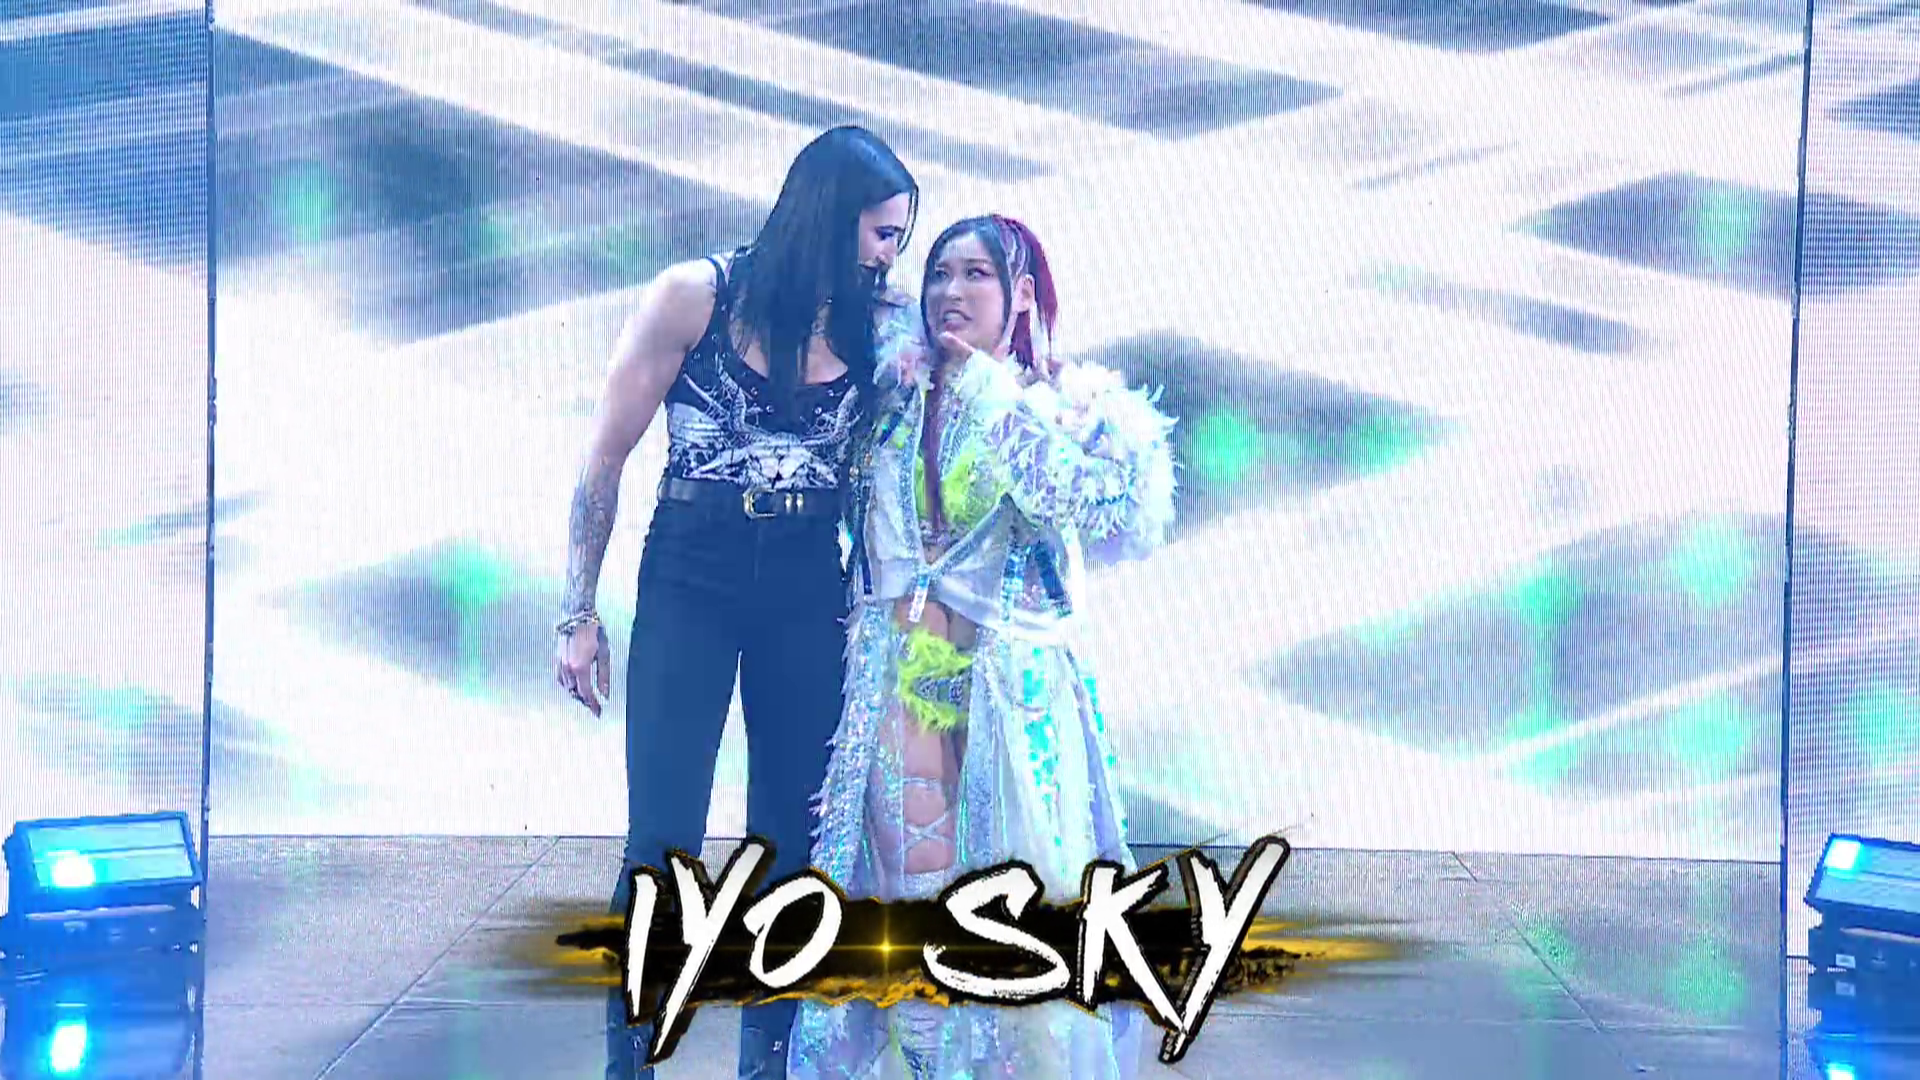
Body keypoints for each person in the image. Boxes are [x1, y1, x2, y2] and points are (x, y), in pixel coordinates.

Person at [551, 125, 918, 1080]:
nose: (892, 255)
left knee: (791, 838)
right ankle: (630, 1063)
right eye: (882, 233)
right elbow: (604, 456)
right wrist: (577, 612)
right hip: (694, 569)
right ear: (831, 218)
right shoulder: (696, 296)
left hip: (808, 579)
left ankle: (770, 1064)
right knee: (662, 835)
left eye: (900, 237)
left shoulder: (880, 327)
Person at [786, 215, 1179, 1079]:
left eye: (975, 276)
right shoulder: (894, 398)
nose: (950, 293)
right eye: (939, 274)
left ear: (1021, 296)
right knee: (906, 908)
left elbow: (1091, 505)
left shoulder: (1059, 408)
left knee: (1015, 916)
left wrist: (992, 393)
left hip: (1011, 695)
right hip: (899, 684)